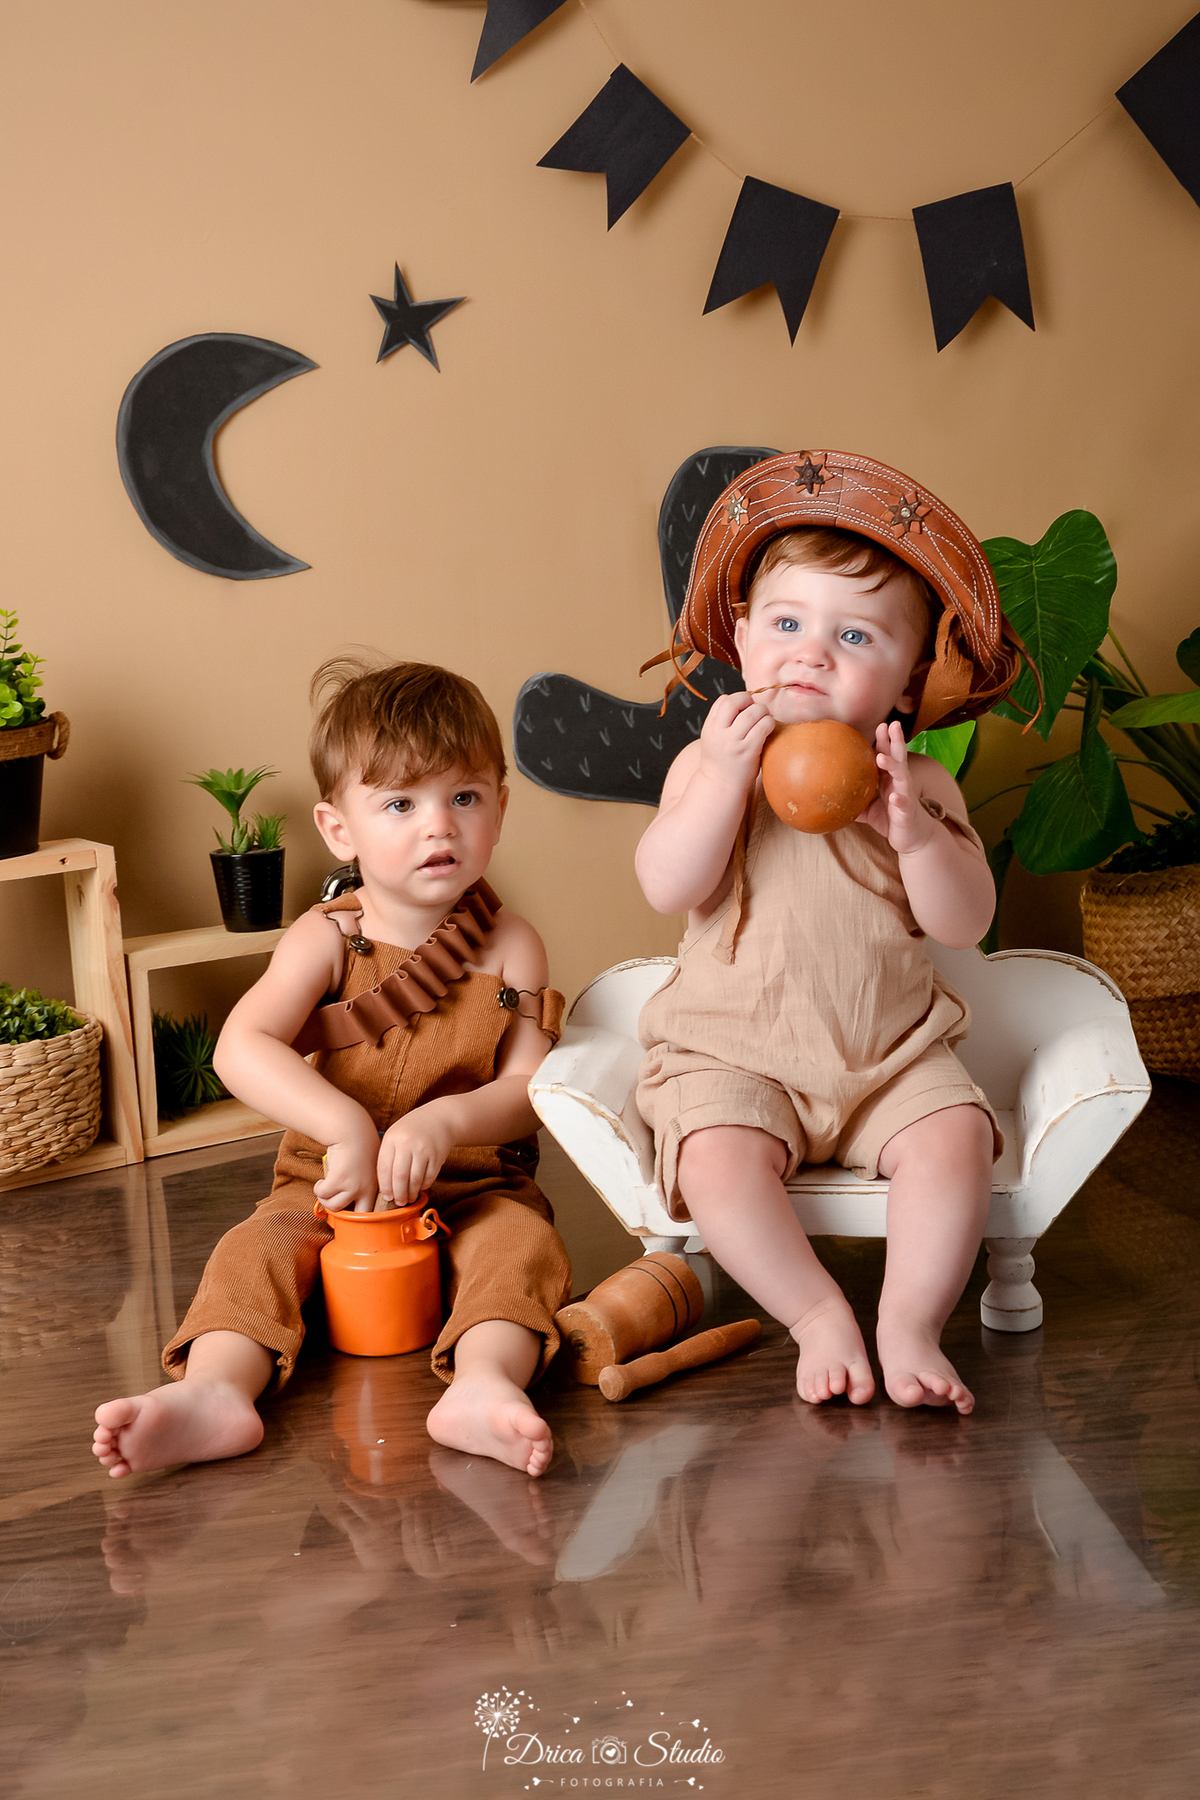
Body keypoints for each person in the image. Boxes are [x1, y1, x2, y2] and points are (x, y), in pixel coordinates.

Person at [94, 659, 571, 1479]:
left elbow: (530, 1089)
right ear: (338, 828)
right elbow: (240, 1047)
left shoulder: (512, 944)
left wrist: (445, 1121)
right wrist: (345, 1126)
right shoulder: (325, 937)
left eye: (465, 796)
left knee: (520, 1252)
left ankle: (484, 1388)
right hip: (329, 1185)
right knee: (255, 1251)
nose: (440, 827)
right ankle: (215, 1393)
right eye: (400, 803)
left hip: (473, 1184)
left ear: (500, 806)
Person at [635, 451, 1030, 1416]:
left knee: (954, 1139)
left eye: (854, 635)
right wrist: (724, 784)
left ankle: (908, 1321)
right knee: (714, 1158)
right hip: (734, 1054)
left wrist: (914, 836)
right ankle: (816, 1314)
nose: (811, 652)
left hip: (888, 1059)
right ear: (740, 639)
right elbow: (664, 883)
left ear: (907, 681)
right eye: (786, 624)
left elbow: (966, 922)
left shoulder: (920, 789)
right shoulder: (709, 761)